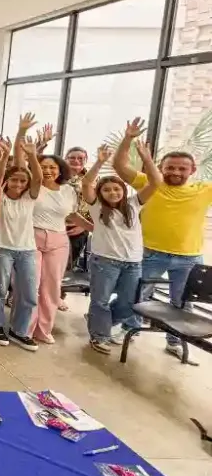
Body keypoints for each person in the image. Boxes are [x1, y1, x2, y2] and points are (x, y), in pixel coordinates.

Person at [111, 117, 212, 357]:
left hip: (189, 257)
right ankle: (129, 328)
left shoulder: (203, 190)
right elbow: (119, 166)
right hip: (150, 253)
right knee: (137, 294)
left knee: (182, 303)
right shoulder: (150, 182)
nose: (175, 172)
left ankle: (174, 342)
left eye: (182, 168)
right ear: (161, 167)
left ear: (192, 170)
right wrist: (128, 139)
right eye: (170, 167)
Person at [81, 143, 157, 354]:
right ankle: (99, 335)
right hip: (105, 262)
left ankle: (99, 321)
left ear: (123, 191)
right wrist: (100, 161)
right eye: (106, 189)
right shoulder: (97, 207)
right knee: (101, 301)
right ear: (100, 193)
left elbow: (155, 182)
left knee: (128, 304)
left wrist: (146, 158)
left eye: (117, 189)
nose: (112, 192)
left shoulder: (134, 204)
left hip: (133, 263)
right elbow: (86, 183)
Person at [0, 114, 43, 352]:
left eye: (22, 181)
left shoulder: (29, 198)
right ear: (7, 181)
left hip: (27, 250)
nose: (18, 185)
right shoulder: (0, 195)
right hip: (2, 248)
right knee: (0, 288)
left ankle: (20, 330)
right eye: (14, 181)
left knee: (29, 292)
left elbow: (38, 177)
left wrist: (31, 154)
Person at [27, 152, 78, 344]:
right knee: (31, 284)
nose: (48, 171)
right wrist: (32, 152)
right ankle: (26, 327)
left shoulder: (68, 191)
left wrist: (90, 227)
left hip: (58, 240)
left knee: (52, 286)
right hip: (32, 236)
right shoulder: (32, 186)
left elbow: (71, 215)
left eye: (52, 167)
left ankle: (44, 329)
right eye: (43, 167)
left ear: (60, 170)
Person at [64, 147, 91, 275]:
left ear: (85, 161)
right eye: (72, 157)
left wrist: (84, 227)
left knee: (66, 267)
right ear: (65, 159)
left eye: (80, 158)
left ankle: (58, 294)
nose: (76, 161)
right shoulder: (55, 177)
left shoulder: (92, 180)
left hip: (77, 230)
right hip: (52, 226)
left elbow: (98, 207)